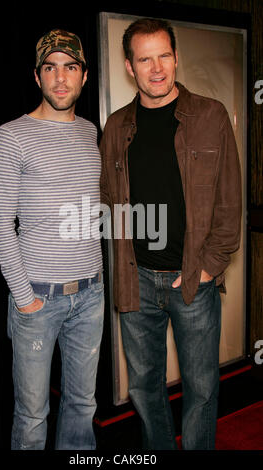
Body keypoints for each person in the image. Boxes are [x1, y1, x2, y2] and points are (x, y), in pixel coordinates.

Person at [99, 18, 242, 450]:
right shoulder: (116, 126)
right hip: (136, 279)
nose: (156, 68)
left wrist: (209, 267)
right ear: (130, 66)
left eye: (164, 56)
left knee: (201, 388)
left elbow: (229, 200)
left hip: (192, 280)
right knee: (144, 387)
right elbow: (108, 201)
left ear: (176, 58)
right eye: (145, 59)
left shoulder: (211, 115)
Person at [0, 29, 104, 450]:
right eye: (50, 68)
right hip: (36, 298)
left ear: (84, 76)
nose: (60, 78)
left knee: (82, 404)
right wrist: (24, 298)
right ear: (37, 77)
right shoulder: (12, 136)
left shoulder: (91, 132)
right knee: (33, 415)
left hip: (90, 296)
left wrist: (100, 279)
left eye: (69, 67)